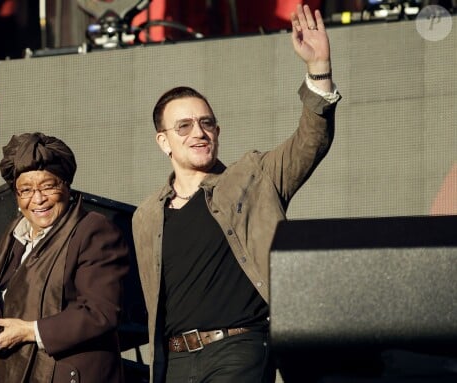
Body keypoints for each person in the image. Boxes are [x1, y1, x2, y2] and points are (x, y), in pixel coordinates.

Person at [132, 4, 341, 383]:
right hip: (174, 361)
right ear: (163, 142)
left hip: (239, 348)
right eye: (184, 126)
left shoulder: (254, 175)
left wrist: (319, 69)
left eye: (206, 122)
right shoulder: (147, 214)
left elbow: (312, 140)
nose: (199, 132)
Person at [0, 132, 130, 383]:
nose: (38, 199)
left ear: (66, 185)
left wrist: (29, 331)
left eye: (47, 186)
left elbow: (101, 312)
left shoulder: (92, 231)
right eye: (26, 190)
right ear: (16, 196)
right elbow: (10, 297)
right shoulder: (14, 236)